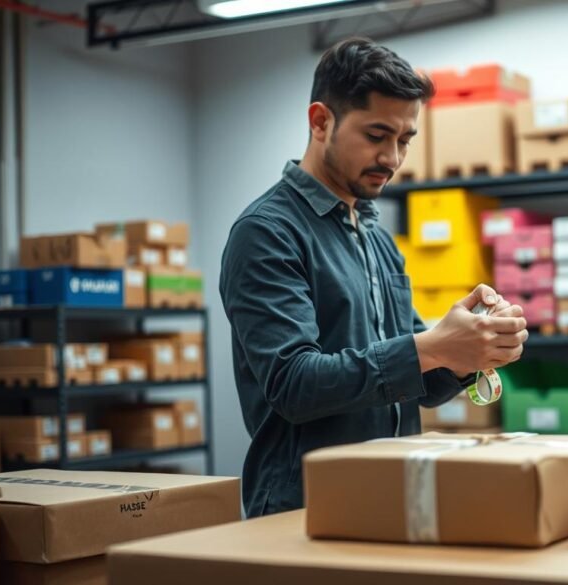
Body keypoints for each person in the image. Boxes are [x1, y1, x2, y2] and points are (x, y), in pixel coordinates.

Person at [219, 37, 527, 517]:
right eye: (376, 135)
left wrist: (468, 352)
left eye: (404, 140)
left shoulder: (375, 234)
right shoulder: (266, 232)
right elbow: (293, 385)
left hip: (393, 490)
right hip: (302, 506)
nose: (393, 158)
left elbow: (410, 379)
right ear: (321, 121)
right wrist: (432, 347)